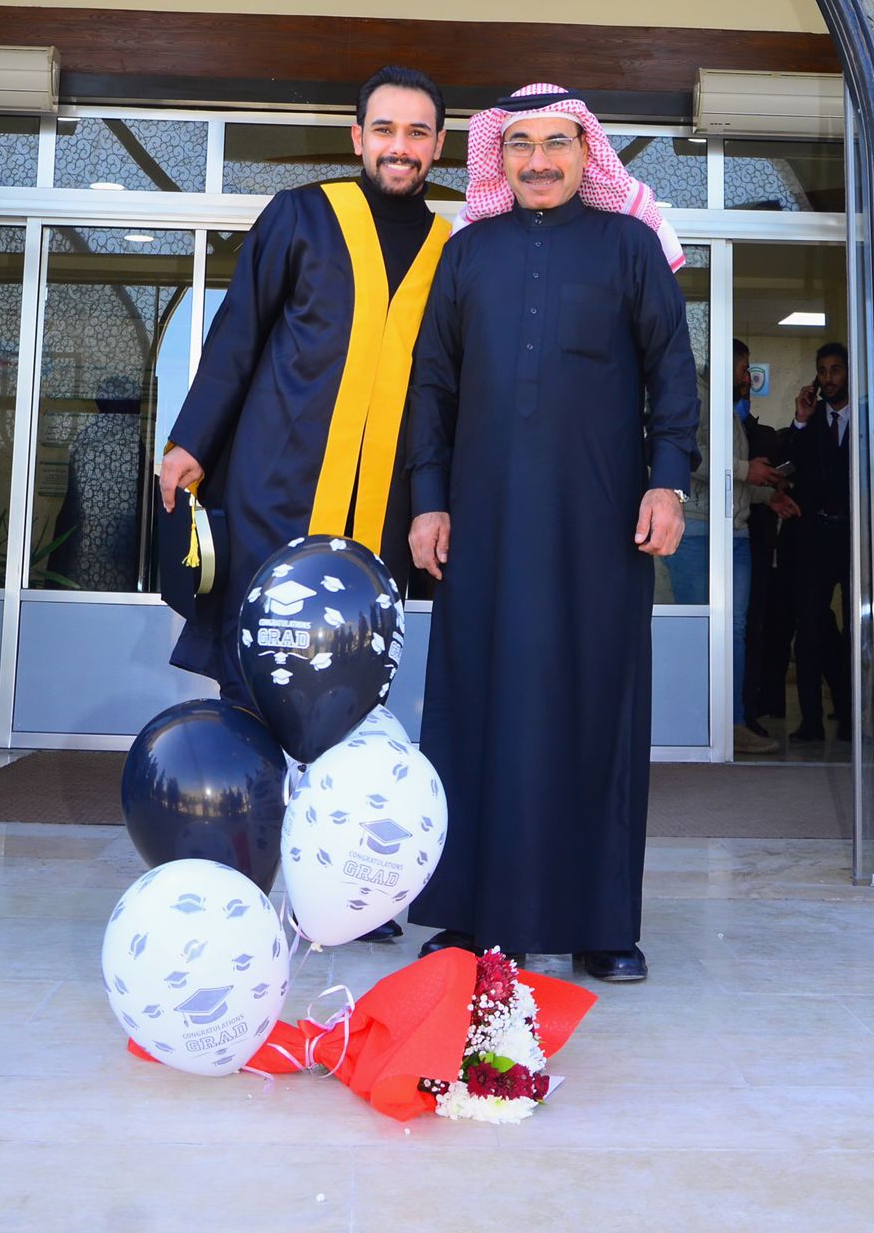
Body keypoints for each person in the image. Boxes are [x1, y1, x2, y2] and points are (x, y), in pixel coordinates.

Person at [405, 82, 699, 983]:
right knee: (475, 706)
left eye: (557, 144)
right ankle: (472, 916)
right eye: (520, 145)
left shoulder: (629, 247)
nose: (538, 162)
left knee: (597, 709)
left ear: (586, 153)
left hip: (599, 527)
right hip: (483, 526)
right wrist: (428, 499)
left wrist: (667, 484)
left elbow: (672, 375)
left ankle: (602, 925)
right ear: (497, 158)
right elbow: (432, 385)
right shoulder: (468, 253)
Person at [159, 65, 451, 941]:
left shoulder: (452, 248)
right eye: (385, 129)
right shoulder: (302, 216)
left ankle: (346, 886)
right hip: (276, 496)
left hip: (379, 518)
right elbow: (238, 335)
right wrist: (190, 442)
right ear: (357, 137)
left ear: (439, 146)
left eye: (418, 132)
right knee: (257, 687)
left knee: (355, 700)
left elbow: (445, 394)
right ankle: (246, 874)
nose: (400, 146)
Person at [666, 340, 797, 755]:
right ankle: (692, 723)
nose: (747, 379)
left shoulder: (728, 408)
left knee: (733, 631)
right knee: (697, 628)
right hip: (697, 534)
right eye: (743, 369)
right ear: (724, 364)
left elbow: (730, 481)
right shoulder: (693, 395)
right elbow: (686, 455)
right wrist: (745, 469)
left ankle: (731, 724)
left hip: (734, 534)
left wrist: (766, 495)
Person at [787, 341, 852, 743]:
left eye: (836, 370)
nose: (828, 379)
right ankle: (810, 720)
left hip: (855, 538)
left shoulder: (867, 418)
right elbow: (791, 465)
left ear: (849, 373)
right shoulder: (810, 420)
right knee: (810, 627)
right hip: (815, 538)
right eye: (823, 371)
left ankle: (849, 716)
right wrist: (799, 419)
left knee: (857, 627)